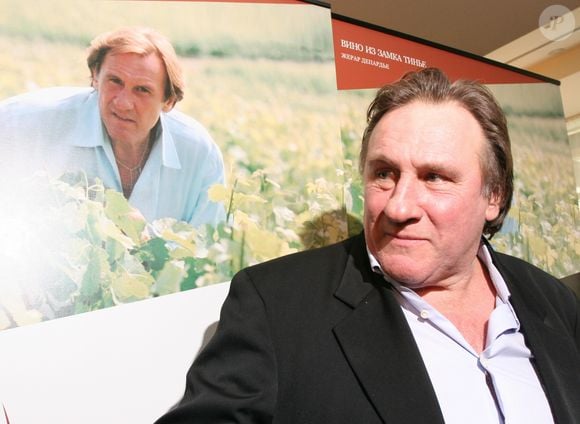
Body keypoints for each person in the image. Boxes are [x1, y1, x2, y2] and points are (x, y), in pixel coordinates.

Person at [155, 68, 580, 423]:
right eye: (384, 173)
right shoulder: (276, 306)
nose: (398, 206)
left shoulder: (553, 301)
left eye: (434, 177)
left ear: (494, 196)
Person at [0, 27, 225, 228]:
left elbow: (208, 257)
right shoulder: (24, 122)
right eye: (115, 81)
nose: (123, 103)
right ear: (95, 77)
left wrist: (146, 238)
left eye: (142, 90)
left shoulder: (199, 154)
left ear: (168, 101)